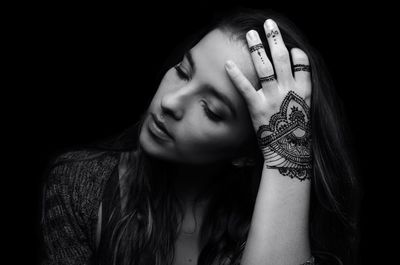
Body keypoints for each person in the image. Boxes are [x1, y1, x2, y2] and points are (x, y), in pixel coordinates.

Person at [40, 7, 360, 265]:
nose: (170, 102)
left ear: (248, 153)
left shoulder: (274, 228)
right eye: (182, 71)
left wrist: (287, 152)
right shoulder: (81, 183)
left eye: (212, 110)